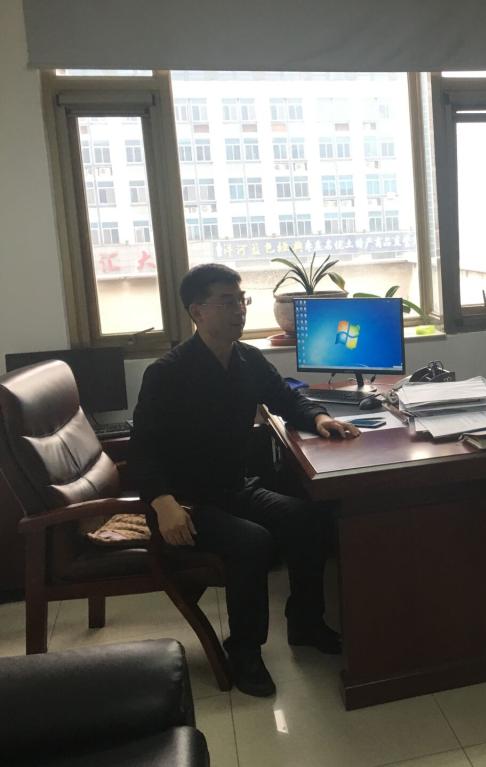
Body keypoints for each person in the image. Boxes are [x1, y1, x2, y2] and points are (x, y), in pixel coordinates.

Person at [132, 263, 360, 697]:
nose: (239, 310)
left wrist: (320, 418)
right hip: (185, 502)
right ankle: (244, 651)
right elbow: (142, 449)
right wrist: (162, 503)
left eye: (242, 301)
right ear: (197, 311)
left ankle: (306, 622)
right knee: (252, 541)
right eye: (227, 302)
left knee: (308, 517)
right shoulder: (167, 373)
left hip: (235, 487)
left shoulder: (248, 359)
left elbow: (287, 399)